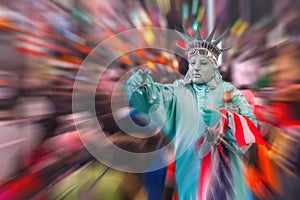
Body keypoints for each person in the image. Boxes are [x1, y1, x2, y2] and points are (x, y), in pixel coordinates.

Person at [126, 28, 269, 200]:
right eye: (193, 63)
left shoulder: (230, 93)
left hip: (227, 184)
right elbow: (154, 104)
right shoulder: (178, 91)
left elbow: (250, 129)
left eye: (203, 63)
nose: (196, 68)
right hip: (189, 178)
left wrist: (224, 121)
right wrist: (141, 89)